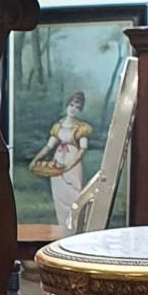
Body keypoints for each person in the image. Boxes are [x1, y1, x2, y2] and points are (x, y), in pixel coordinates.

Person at [29, 91, 94, 230]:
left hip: (73, 161)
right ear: (67, 105)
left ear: (80, 110)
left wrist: (69, 165)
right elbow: (48, 146)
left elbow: (82, 150)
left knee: (74, 192)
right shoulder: (58, 126)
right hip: (58, 160)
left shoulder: (81, 128)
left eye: (77, 106)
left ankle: (79, 226)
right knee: (59, 193)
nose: (73, 108)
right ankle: (64, 227)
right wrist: (35, 160)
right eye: (71, 105)